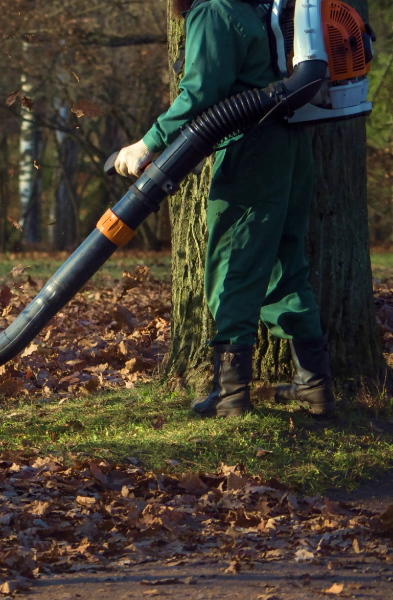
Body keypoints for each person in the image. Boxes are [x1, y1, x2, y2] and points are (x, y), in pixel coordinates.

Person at [113, 0, 334, 418]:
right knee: (283, 263)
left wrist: (148, 143)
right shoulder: (256, 10)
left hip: (252, 150)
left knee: (234, 261)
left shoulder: (216, 11)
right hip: (291, 146)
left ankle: (231, 395)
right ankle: (316, 386)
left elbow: (199, 94)